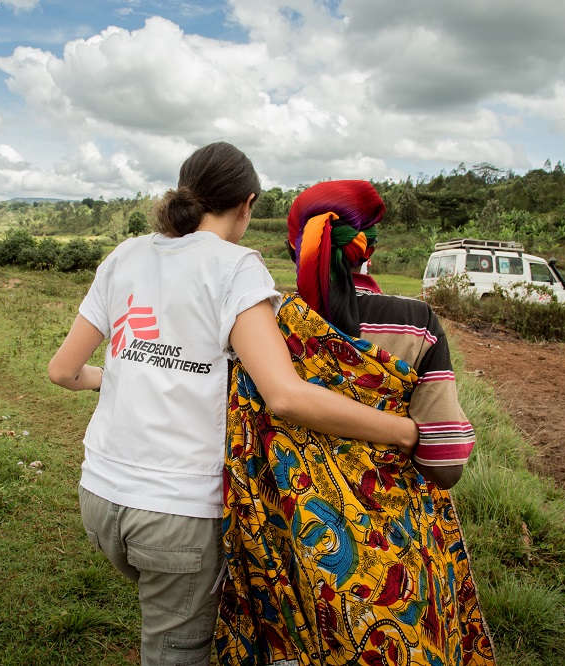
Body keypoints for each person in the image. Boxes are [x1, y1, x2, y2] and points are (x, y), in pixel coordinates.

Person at [48, 146, 419, 665]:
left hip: (99, 499)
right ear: (246, 205)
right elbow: (285, 396)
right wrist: (402, 431)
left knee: (167, 607)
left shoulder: (125, 255)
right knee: (174, 649)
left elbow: (62, 371)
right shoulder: (235, 266)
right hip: (174, 515)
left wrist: (119, 376)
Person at [216, 180, 495, 665]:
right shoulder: (416, 323)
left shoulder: (268, 327)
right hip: (398, 550)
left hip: (293, 543)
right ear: (370, 250)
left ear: (293, 247)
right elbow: (445, 465)